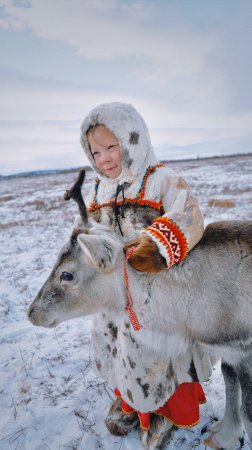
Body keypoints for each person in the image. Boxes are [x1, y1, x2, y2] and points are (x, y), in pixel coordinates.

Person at [79, 102, 214, 446]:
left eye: (112, 146)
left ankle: (166, 414)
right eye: (96, 151)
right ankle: (132, 404)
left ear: (133, 141)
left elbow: (189, 217)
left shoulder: (161, 180)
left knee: (159, 356)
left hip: (159, 295)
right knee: (120, 351)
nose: (105, 158)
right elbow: (87, 235)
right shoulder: (96, 191)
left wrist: (153, 248)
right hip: (114, 298)